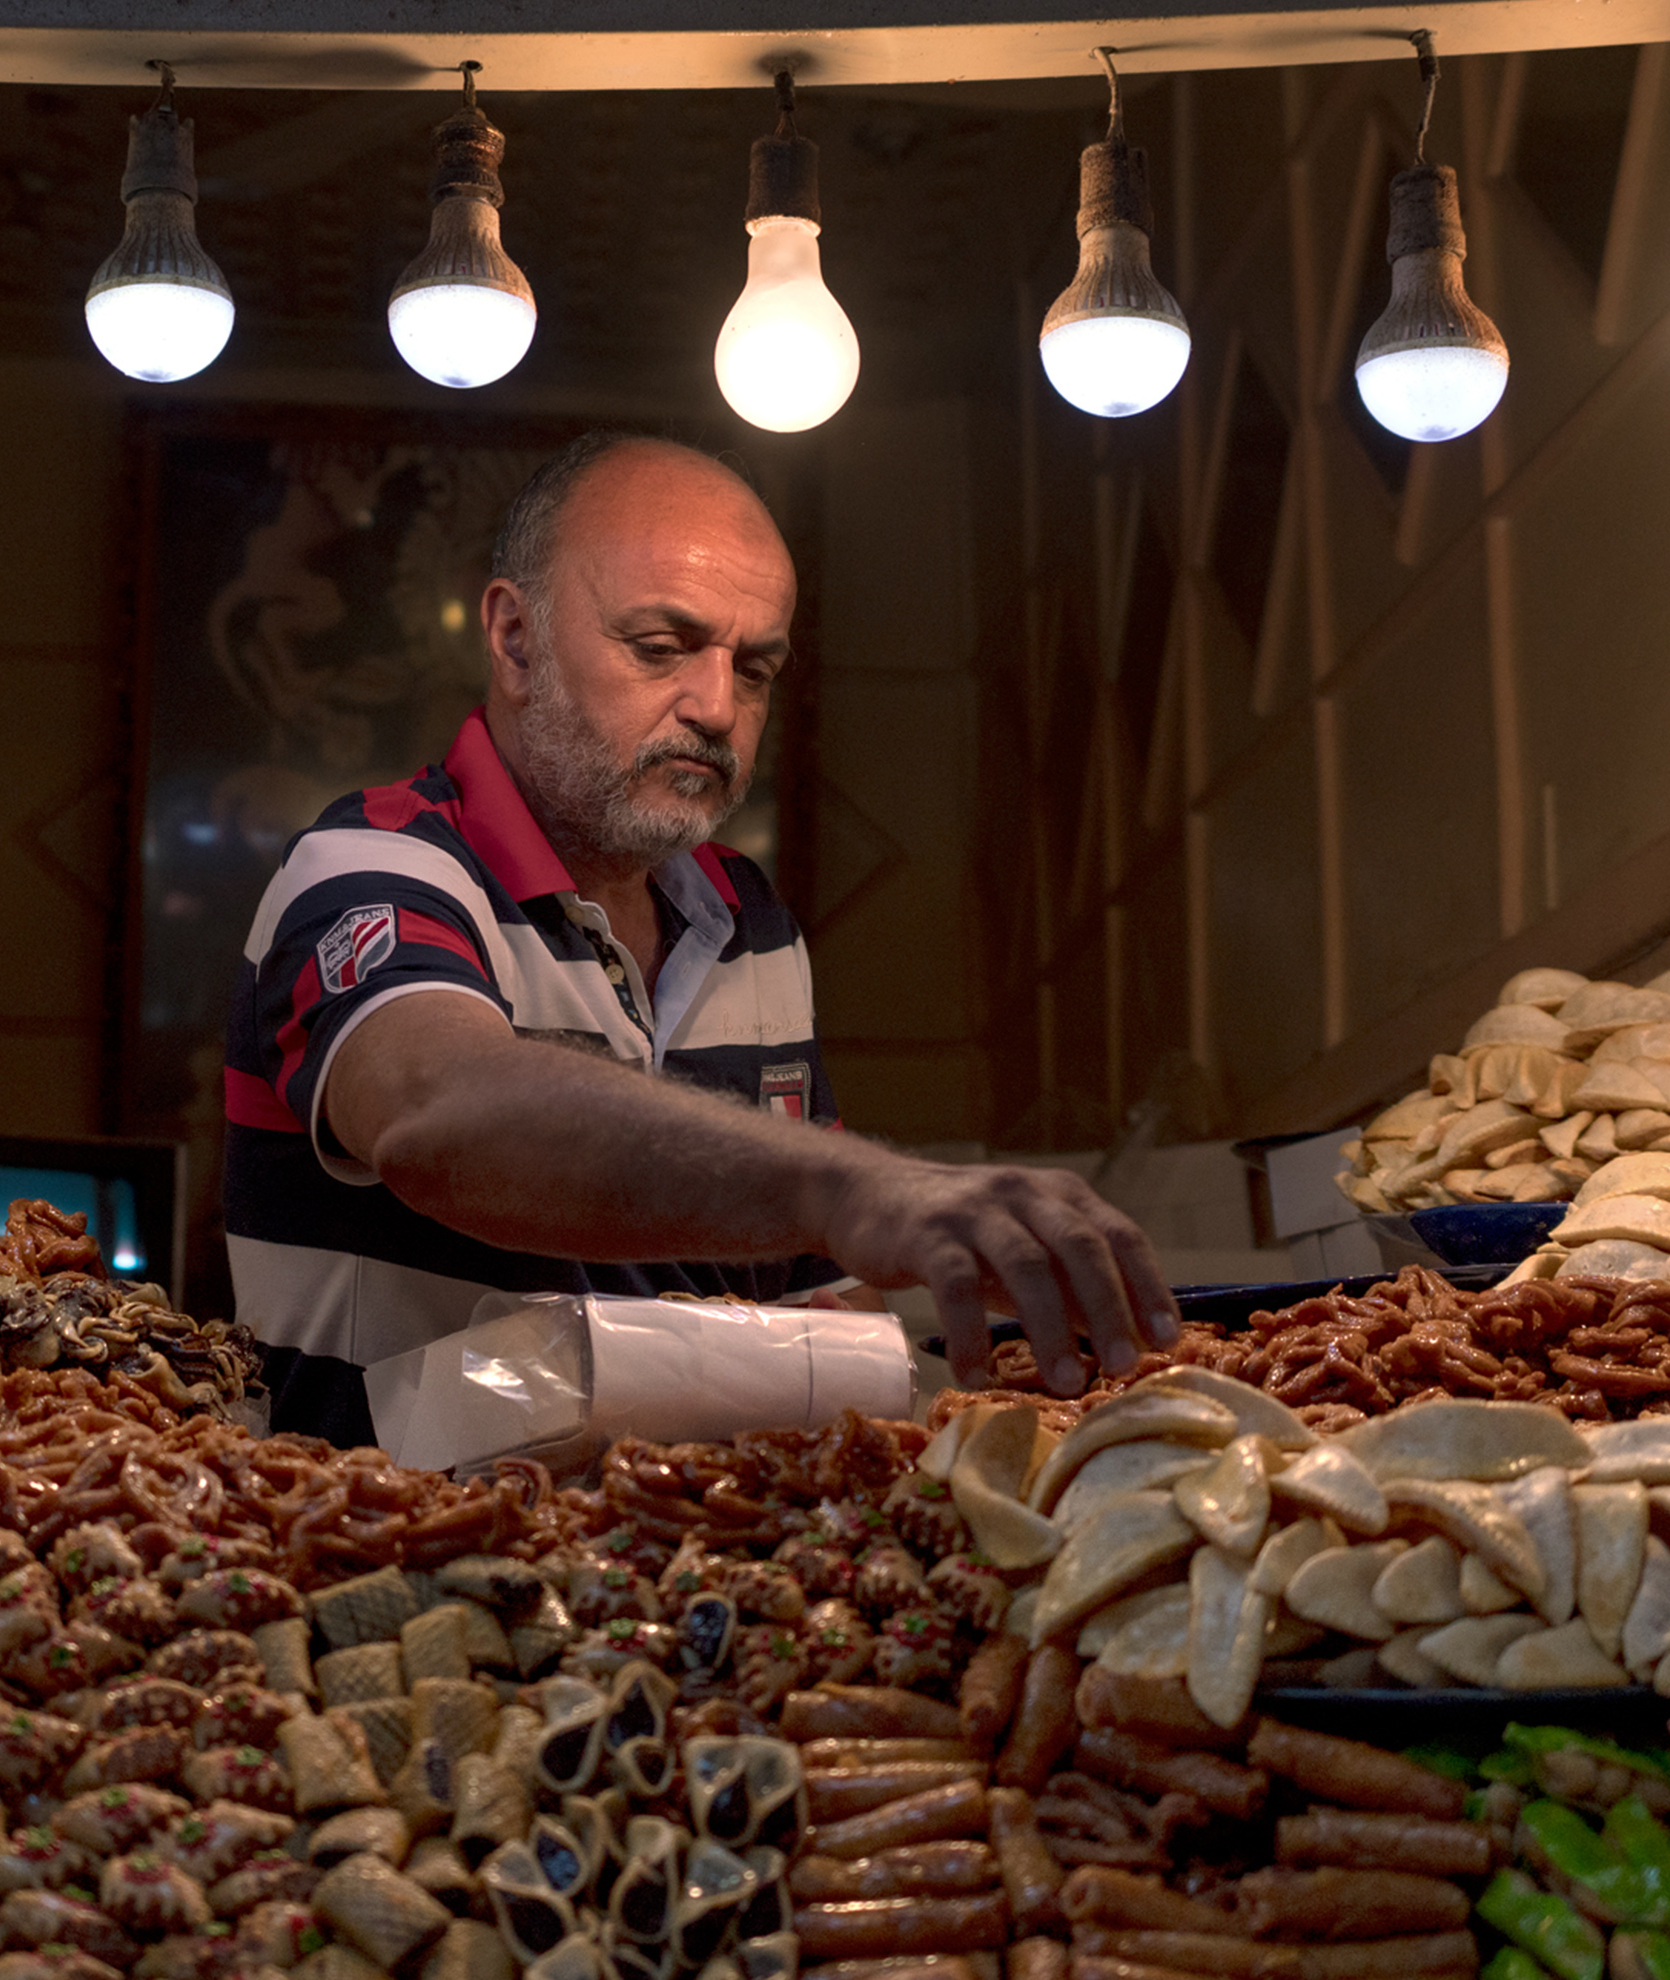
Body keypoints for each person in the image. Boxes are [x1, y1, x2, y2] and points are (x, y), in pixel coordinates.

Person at [222, 430, 1180, 1445]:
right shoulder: (375, 861)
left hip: (690, 1578)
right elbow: (436, 1112)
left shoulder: (751, 925)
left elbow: (816, 1301)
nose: (718, 708)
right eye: (661, 647)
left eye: (755, 668)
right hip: (381, 1562)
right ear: (513, 640)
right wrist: (848, 1184)